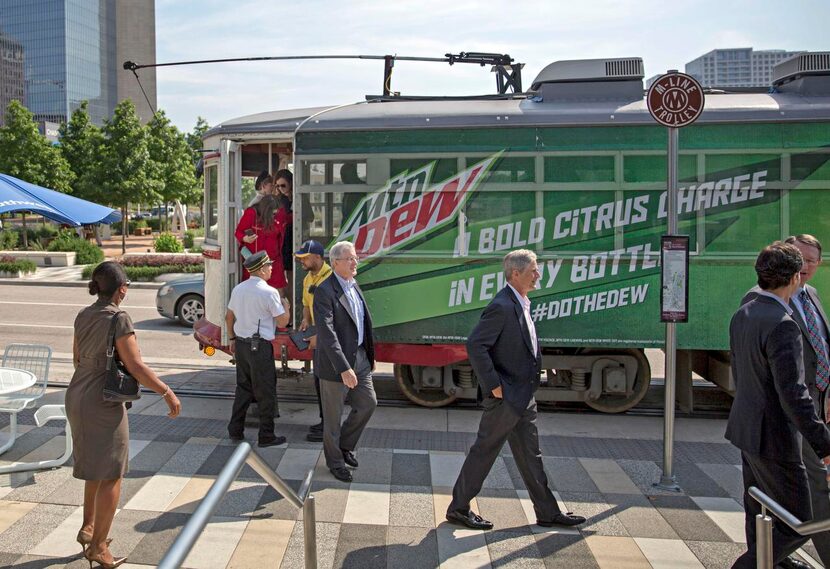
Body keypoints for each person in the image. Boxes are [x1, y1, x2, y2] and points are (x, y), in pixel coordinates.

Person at [446, 249, 586, 530]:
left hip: (522, 395)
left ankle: (547, 512)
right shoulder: (502, 305)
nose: (538, 275)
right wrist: (494, 385)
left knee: (530, 455)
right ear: (515, 274)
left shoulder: (520, 302)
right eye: (533, 270)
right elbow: (475, 345)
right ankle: (458, 508)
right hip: (507, 397)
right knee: (484, 452)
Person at [66, 261, 181, 568]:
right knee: (113, 473)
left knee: (94, 468)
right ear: (121, 289)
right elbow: (136, 366)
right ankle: (99, 547)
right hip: (102, 401)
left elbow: (77, 357)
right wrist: (166, 392)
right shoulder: (119, 317)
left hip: (77, 393)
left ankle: (89, 529)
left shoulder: (83, 314)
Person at [727, 241, 830, 569]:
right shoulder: (783, 323)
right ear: (794, 278)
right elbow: (795, 396)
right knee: (801, 520)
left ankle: (772, 563)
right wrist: (825, 444)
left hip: (747, 429)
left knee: (761, 509)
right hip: (775, 437)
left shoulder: (745, 311)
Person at [313, 241, 376, 482]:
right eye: (349, 258)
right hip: (335, 364)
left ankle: (345, 446)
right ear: (335, 263)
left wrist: (368, 356)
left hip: (359, 357)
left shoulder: (353, 284)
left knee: (368, 403)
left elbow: (362, 323)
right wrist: (344, 368)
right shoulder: (324, 291)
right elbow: (327, 335)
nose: (355, 262)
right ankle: (335, 462)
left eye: (355, 257)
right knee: (332, 418)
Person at [226, 251, 291, 447]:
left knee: (243, 389)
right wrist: (286, 306)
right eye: (269, 265)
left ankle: (235, 430)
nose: (271, 268)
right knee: (266, 392)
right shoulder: (269, 292)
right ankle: (266, 435)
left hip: (242, 345)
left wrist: (231, 338)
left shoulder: (238, 289)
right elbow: (281, 322)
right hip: (259, 347)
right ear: (262, 269)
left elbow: (229, 316)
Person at [294, 239, 332, 442]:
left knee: (328, 385)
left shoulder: (331, 277)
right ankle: (324, 420)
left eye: (305, 257)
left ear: (317, 257)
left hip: (329, 339)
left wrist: (321, 335)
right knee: (319, 383)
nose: (301, 261)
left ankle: (330, 427)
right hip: (317, 336)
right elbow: (306, 303)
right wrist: (305, 321)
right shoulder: (308, 278)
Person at [234, 194, 288, 290]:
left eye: (275, 213)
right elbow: (238, 232)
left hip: (274, 262)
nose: (274, 216)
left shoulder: (279, 213)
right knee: (254, 292)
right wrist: (245, 238)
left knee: (277, 292)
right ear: (265, 210)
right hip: (256, 264)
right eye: (272, 213)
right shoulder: (251, 213)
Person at [273, 169, 296, 306]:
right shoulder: (279, 200)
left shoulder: (298, 197)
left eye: (283, 186)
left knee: (292, 277)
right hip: (283, 241)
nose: (281, 189)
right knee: (283, 280)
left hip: (295, 239)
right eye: (278, 186)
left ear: (291, 184)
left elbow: (309, 216)